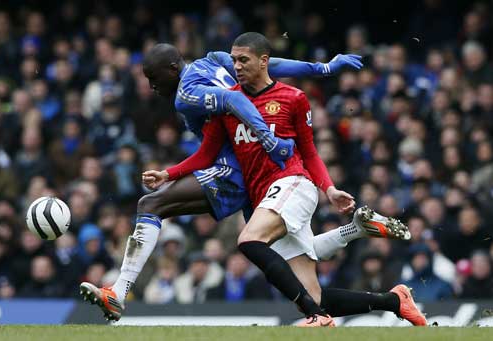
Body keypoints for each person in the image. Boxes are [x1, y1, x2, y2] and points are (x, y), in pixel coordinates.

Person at [142, 33, 423, 327]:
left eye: (243, 60)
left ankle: (318, 315)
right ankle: (393, 299)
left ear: (264, 62)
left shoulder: (293, 98)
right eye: (233, 60)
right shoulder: (226, 104)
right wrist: (168, 174)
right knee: (313, 295)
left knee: (250, 240)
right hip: (263, 197)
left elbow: (310, 153)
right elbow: (206, 154)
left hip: (292, 184)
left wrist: (329, 188)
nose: (235, 66)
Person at [80, 38, 364, 320]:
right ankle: (360, 242)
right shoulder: (214, 59)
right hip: (261, 176)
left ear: (172, 67)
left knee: (150, 205)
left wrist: (268, 138)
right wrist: (322, 69)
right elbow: (270, 64)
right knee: (302, 269)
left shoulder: (186, 94)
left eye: (153, 78)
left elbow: (235, 98)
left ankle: (119, 291)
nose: (152, 87)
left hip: (238, 171)